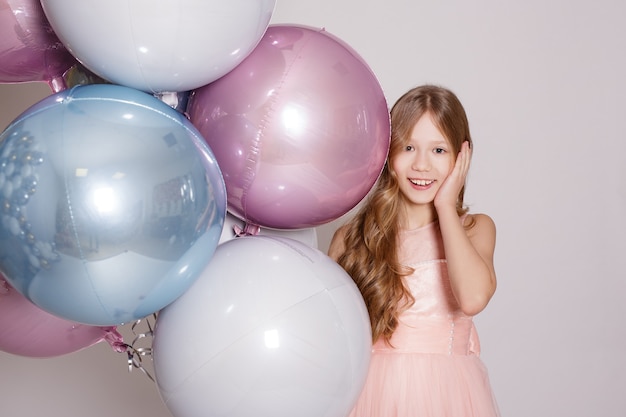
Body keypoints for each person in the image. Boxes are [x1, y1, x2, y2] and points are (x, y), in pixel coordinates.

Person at [329, 84, 500, 417]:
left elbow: (473, 298)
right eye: (409, 147)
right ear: (389, 154)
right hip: (367, 398)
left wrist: (447, 207)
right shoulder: (351, 238)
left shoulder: (474, 229)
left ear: (461, 157)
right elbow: (327, 334)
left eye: (438, 151)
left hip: (446, 398)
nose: (422, 164)